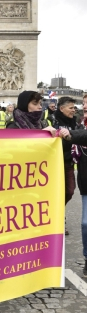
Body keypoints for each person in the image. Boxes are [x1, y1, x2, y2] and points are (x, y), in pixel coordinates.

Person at [59, 94, 87, 275]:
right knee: (85, 223)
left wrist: (70, 135)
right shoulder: (81, 123)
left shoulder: (77, 127)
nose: (83, 107)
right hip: (86, 181)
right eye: (84, 104)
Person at [52, 97, 78, 231]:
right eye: (71, 108)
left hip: (68, 162)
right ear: (61, 109)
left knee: (69, 191)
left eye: (74, 108)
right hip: (53, 164)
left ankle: (58, 212)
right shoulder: (52, 120)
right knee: (54, 192)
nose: (74, 110)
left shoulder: (75, 122)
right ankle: (58, 219)